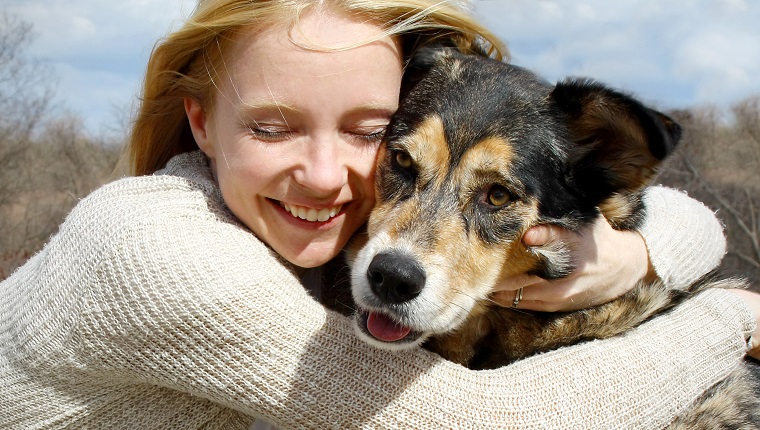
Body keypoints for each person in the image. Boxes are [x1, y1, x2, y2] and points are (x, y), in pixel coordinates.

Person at [1, 0, 758, 428]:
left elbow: (677, 213)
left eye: (368, 133)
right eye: (271, 126)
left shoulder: (300, 223)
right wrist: (727, 319)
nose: (328, 174)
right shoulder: (154, 249)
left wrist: (639, 254)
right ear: (201, 124)